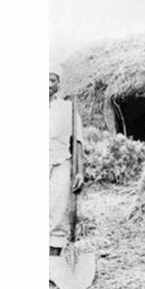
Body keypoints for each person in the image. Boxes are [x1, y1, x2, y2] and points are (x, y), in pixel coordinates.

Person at [49, 63, 85, 256]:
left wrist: (79, 171)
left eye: (52, 80)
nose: (47, 84)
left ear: (58, 84)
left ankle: (53, 259)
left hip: (60, 163)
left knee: (58, 210)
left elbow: (77, 141)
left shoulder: (67, 109)